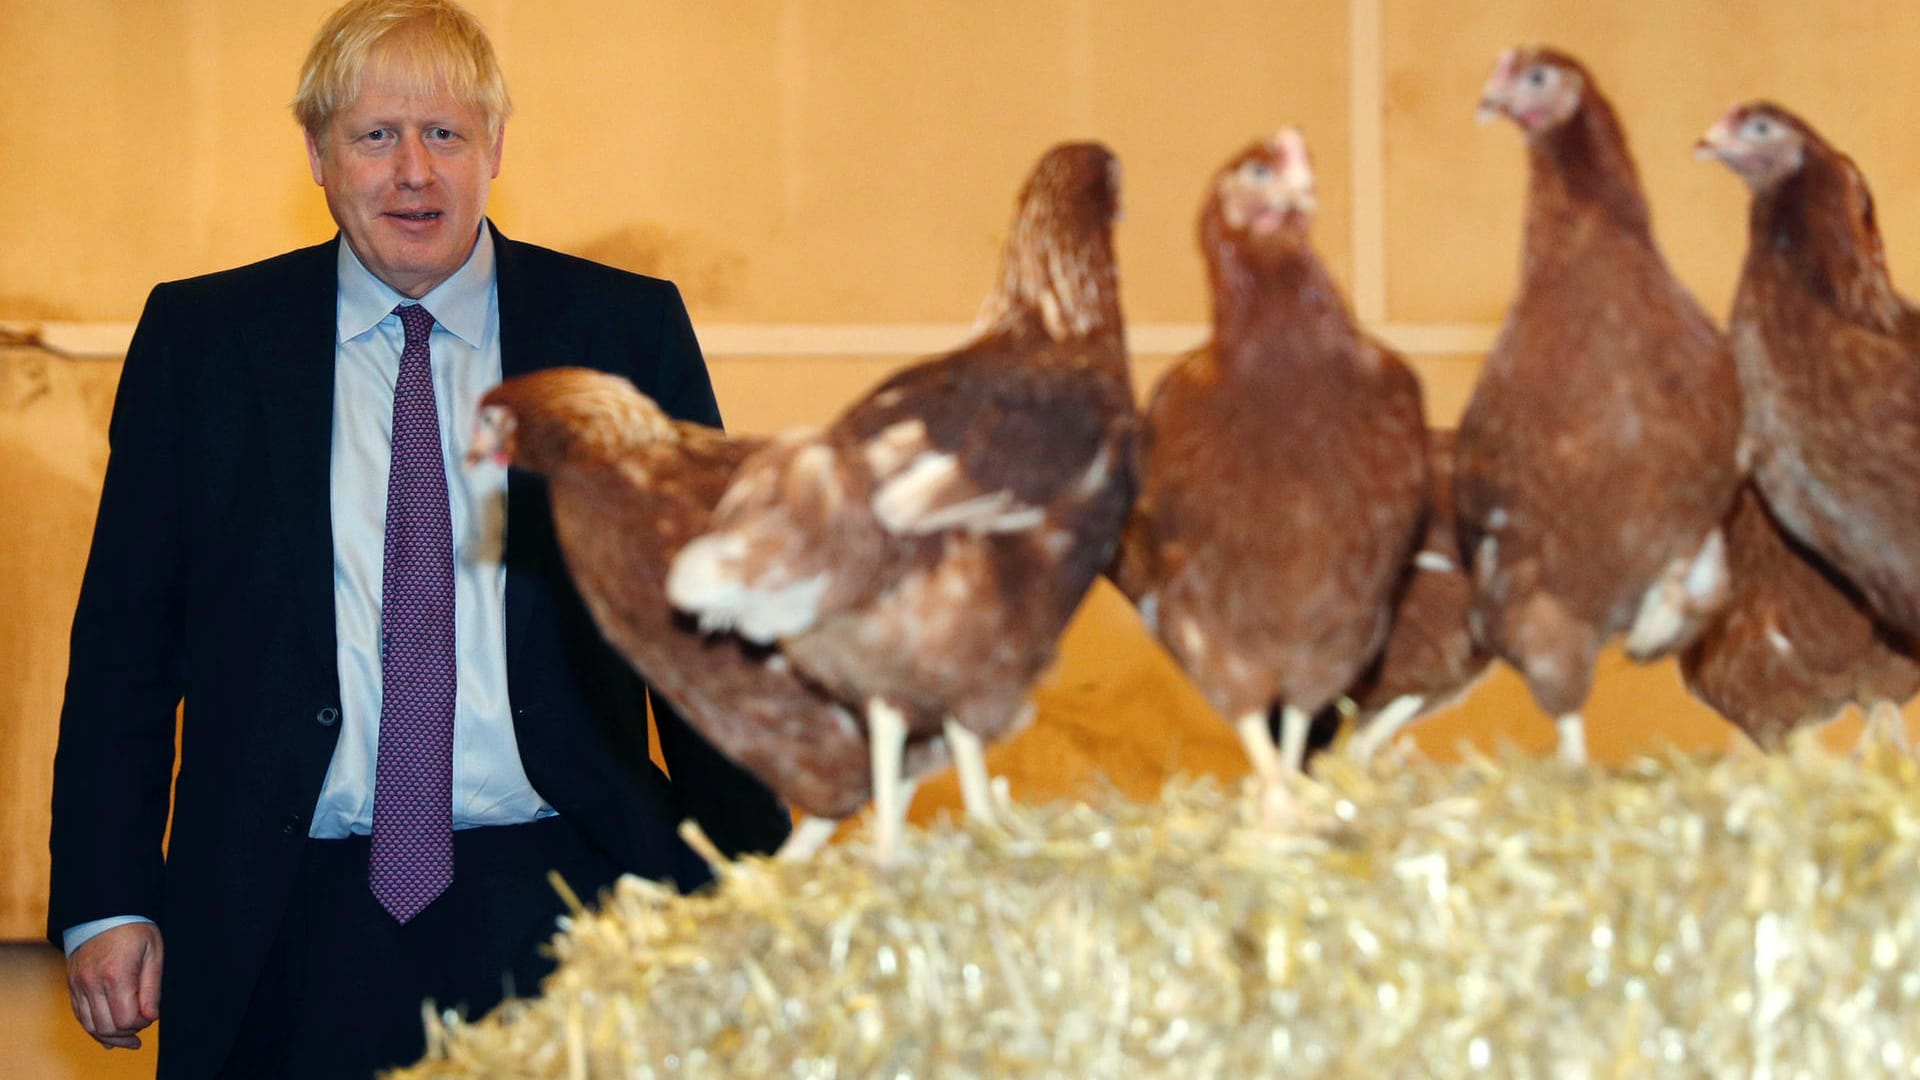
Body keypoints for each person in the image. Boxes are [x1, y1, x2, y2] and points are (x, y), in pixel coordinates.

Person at [47, 1, 792, 1075]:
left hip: (574, 898)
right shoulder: (202, 343)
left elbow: (708, 634)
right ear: (315, 152)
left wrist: (762, 882)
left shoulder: (622, 333)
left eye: (444, 134)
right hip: (281, 917)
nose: (413, 173)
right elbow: (124, 647)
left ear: (496, 147)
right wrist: (106, 897)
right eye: (375, 136)